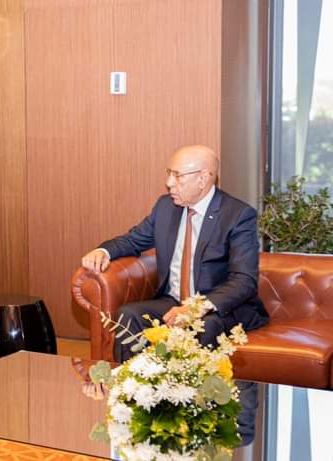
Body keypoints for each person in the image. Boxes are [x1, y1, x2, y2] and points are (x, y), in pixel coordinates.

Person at [81, 145, 269, 363]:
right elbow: (133, 240)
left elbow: (244, 280)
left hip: (218, 307)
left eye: (178, 176)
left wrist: (195, 309)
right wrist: (103, 250)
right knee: (129, 315)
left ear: (203, 179)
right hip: (173, 301)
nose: (169, 182)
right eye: (169, 173)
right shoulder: (166, 207)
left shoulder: (237, 215)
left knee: (204, 325)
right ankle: (133, 381)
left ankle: (193, 386)